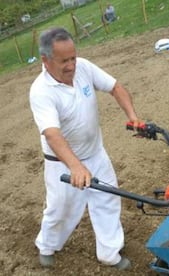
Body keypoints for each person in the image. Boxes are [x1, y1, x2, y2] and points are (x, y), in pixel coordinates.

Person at [29, 27, 143, 270]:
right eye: (64, 61)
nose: (71, 65)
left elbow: (116, 87)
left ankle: (110, 253)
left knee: (108, 199)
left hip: (95, 153)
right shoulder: (41, 91)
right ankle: (47, 245)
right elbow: (52, 134)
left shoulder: (84, 68)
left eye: (73, 58)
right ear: (45, 60)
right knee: (61, 211)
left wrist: (132, 116)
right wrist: (75, 166)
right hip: (62, 163)